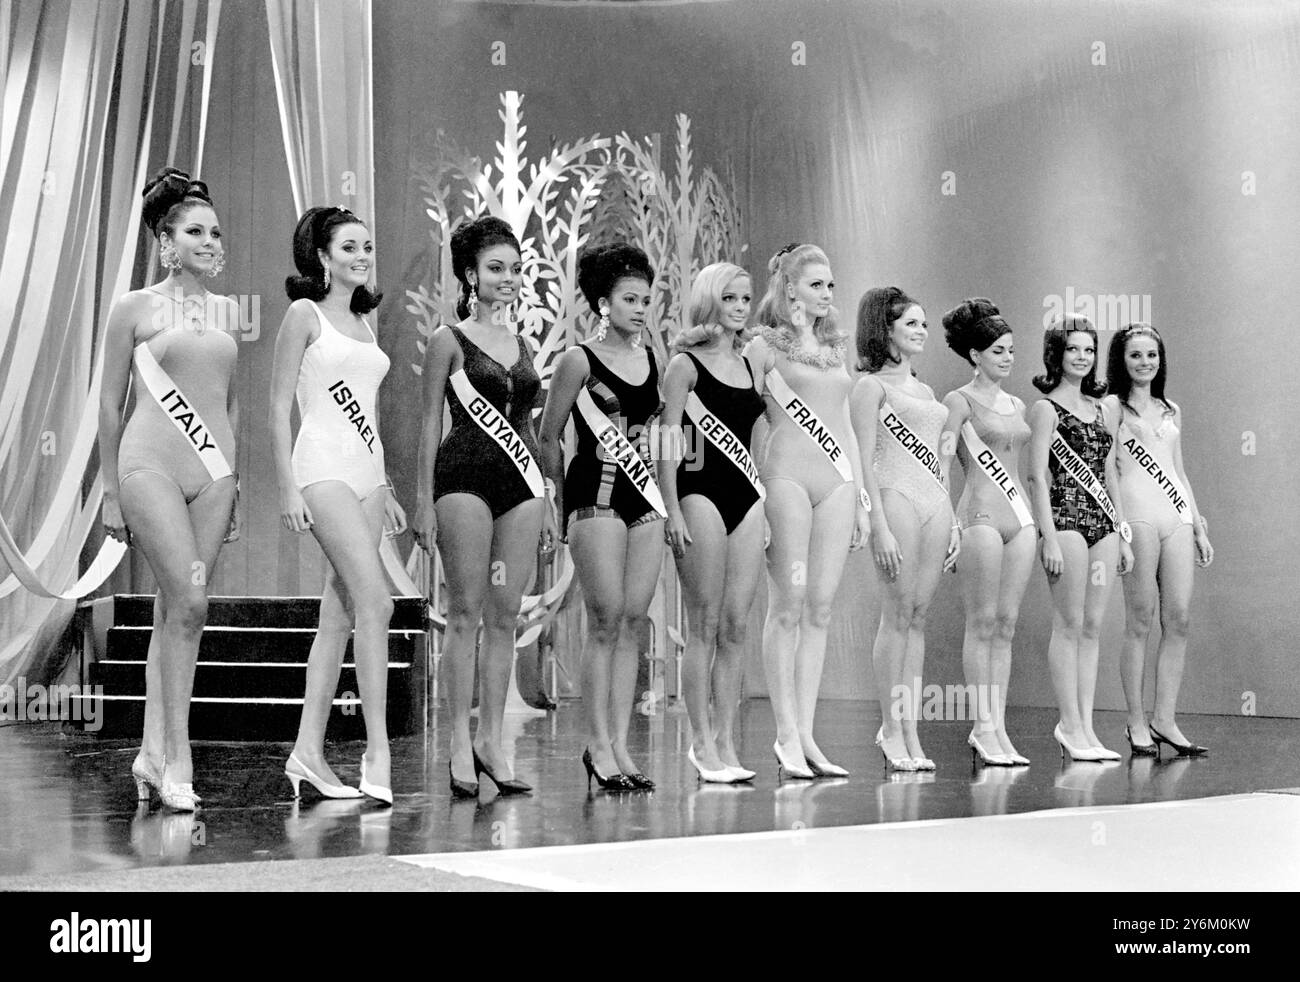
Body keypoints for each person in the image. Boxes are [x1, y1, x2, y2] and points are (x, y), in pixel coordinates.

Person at [98, 167, 240, 811]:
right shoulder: (134, 307)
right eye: (195, 231)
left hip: (211, 475)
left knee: (176, 610)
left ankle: (151, 753)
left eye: (215, 232)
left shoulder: (230, 312)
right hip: (148, 462)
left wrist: (232, 482)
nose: (210, 241)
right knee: (189, 602)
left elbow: (229, 406)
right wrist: (106, 488)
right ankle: (179, 756)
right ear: (166, 239)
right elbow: (108, 403)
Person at [413, 216, 556, 799]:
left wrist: (548, 498)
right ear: (470, 274)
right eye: (496, 268)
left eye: (516, 269)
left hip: (520, 489)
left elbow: (532, 424)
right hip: (463, 481)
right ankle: (456, 744)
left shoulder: (525, 346)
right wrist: (422, 499)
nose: (508, 279)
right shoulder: (449, 339)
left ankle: (492, 741)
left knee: (505, 615)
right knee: (466, 612)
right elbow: (428, 425)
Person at [269, 205, 403, 804]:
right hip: (320, 468)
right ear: (322, 256)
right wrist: (286, 487)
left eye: (367, 246)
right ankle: (378, 752)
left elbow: (369, 414)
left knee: (340, 616)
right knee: (377, 599)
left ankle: (307, 753)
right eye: (349, 247)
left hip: (368, 476)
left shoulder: (365, 324)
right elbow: (277, 407)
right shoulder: (304, 315)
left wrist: (390, 488)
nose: (362, 256)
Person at [538, 243, 664, 792]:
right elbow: (548, 435)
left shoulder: (652, 359)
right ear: (603, 302)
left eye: (645, 299)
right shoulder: (578, 360)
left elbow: (656, 430)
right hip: (595, 494)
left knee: (635, 620)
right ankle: (596, 744)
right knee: (606, 617)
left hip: (645, 497)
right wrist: (556, 501)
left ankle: (621, 743)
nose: (640, 308)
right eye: (629, 299)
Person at [748, 244, 870, 780]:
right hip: (785, 478)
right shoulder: (762, 345)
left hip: (837, 482)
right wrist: (754, 494)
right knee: (788, 605)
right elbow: (745, 418)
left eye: (831, 285)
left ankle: (808, 732)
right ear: (790, 288)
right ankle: (785, 734)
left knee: (820, 608)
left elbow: (844, 426)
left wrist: (863, 500)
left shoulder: (834, 348)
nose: (827, 294)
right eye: (817, 284)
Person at [657, 262, 766, 784]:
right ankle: (699, 741)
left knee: (736, 625)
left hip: (747, 497)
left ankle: (725, 738)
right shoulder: (684, 365)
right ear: (709, 300)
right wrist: (671, 506)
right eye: (731, 298)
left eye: (746, 298)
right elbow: (666, 438)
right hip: (698, 491)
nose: (741, 307)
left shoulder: (749, 366)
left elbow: (759, 438)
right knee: (701, 624)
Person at [851, 287, 957, 772]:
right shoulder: (871, 388)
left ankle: (910, 727)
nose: (921, 331)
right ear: (885, 329)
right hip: (895, 500)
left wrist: (952, 516)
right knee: (896, 615)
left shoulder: (928, 392)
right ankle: (891, 727)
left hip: (935, 501)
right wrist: (878, 525)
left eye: (924, 323)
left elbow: (937, 459)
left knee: (918, 617)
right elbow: (863, 461)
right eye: (910, 323)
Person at [1025, 313, 1132, 762]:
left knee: (1093, 627)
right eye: (1074, 349)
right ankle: (1068, 724)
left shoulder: (1103, 408)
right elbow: (1034, 475)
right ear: (1057, 354)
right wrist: (1046, 536)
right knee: (1068, 624)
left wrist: (1122, 532)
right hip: (1064, 516)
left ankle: (1086, 727)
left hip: (1103, 523)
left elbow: (1110, 473)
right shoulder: (1045, 408)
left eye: (1089, 350)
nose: (1083, 357)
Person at [1103, 323, 1213, 757]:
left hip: (1178, 518)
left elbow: (1179, 471)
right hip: (1138, 517)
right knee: (1140, 620)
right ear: (1122, 360)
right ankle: (1135, 720)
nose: (1145, 363)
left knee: (1180, 618)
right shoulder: (1113, 407)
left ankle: (1164, 717)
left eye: (1152, 355)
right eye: (1136, 355)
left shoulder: (1171, 410)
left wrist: (1199, 525)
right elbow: (1108, 468)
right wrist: (1120, 529)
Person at [939, 300, 1036, 766]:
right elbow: (939, 458)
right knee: (981, 622)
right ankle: (982, 726)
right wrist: (948, 521)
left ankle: (998, 726)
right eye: (998, 350)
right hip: (978, 516)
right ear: (975, 354)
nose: (1007, 357)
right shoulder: (957, 400)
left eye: (1012, 350)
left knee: (1006, 625)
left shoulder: (1018, 404)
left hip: (1020, 521)